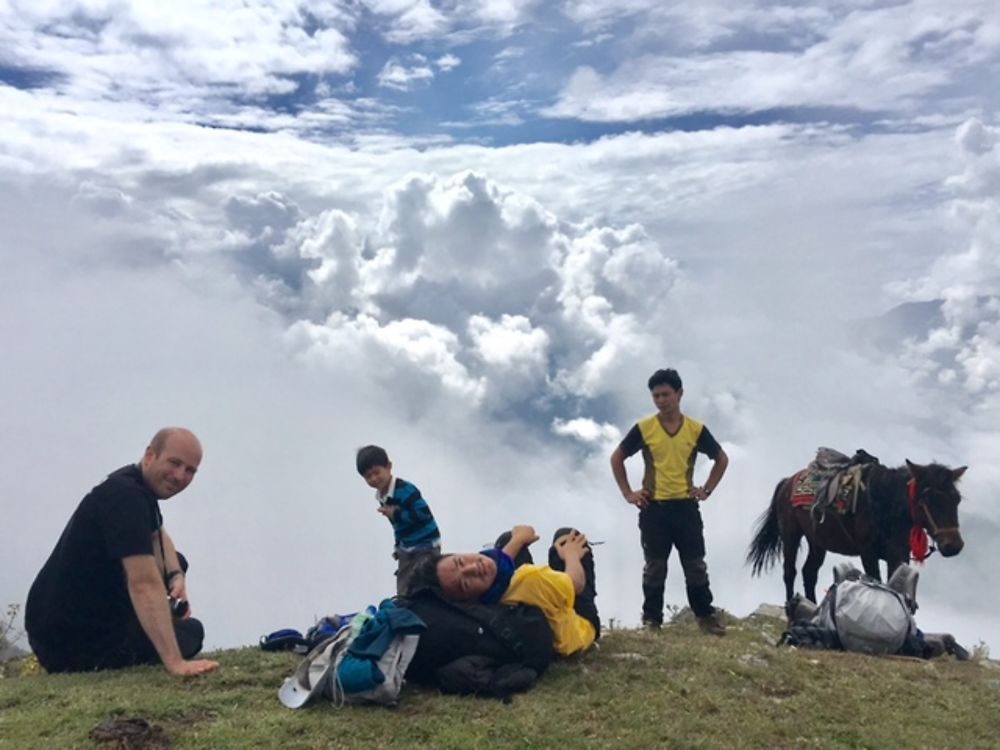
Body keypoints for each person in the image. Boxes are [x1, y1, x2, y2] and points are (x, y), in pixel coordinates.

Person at [25, 428, 219, 675]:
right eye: (174, 463)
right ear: (150, 455)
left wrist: (175, 576)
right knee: (192, 633)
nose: (180, 476)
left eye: (190, 470)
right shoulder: (126, 499)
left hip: (55, 628)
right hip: (73, 645)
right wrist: (176, 663)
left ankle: (150, 624)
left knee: (178, 561)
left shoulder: (130, 484)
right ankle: (151, 640)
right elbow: (143, 584)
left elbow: (158, 533)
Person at [610, 368, 729, 635]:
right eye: (656, 396)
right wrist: (628, 493)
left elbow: (721, 459)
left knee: (695, 565)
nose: (661, 400)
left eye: (665, 394)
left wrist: (706, 490)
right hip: (654, 508)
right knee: (655, 567)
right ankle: (652, 621)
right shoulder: (644, 428)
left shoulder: (696, 430)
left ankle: (705, 617)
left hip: (686, 507)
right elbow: (617, 457)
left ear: (680, 394)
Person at [428, 524, 599, 656]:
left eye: (460, 562)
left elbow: (497, 565)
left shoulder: (479, 605)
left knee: (507, 539)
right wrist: (571, 554)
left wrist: (516, 540)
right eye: (466, 583)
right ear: (468, 597)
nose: (473, 568)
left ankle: (514, 542)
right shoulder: (531, 578)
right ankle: (592, 626)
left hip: (529, 616)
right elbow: (576, 584)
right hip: (575, 629)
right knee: (567, 536)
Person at [356, 445, 441, 596]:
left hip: (426, 543)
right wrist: (397, 545)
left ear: (389, 467)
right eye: (368, 476)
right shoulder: (382, 496)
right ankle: (405, 609)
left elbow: (423, 514)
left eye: (377, 472)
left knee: (426, 581)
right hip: (407, 546)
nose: (374, 479)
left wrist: (396, 514)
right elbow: (397, 525)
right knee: (404, 586)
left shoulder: (405, 490)